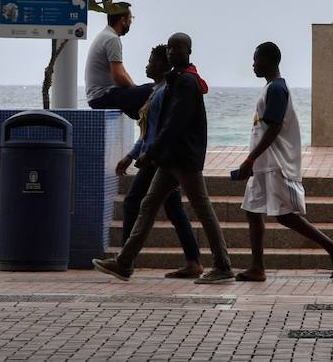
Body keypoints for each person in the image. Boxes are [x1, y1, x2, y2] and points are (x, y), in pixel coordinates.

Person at [94, 32, 234, 284]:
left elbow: (174, 124)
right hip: (171, 159)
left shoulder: (187, 83)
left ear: (189, 51)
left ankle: (223, 265)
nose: (172, 52)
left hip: (183, 158)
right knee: (147, 205)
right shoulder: (176, 80)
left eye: (178, 48)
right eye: (170, 48)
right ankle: (125, 262)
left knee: (203, 210)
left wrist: (151, 152)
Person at [233, 42, 333, 283]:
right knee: (252, 211)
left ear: (269, 60)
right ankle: (257, 267)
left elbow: (274, 128)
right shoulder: (270, 88)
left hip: (275, 164)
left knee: (285, 215)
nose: (254, 64)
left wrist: (249, 159)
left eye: (257, 60)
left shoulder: (277, 89)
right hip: (263, 165)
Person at [115, 44, 202, 279]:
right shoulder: (157, 89)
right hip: (155, 155)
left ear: (164, 65)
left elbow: (161, 130)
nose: (147, 65)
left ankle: (125, 261)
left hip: (157, 158)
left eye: (151, 61)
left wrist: (146, 155)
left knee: (134, 201)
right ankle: (193, 260)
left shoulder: (165, 91)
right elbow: (148, 131)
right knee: (173, 209)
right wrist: (131, 154)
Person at [84, 3, 153, 119]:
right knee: (155, 88)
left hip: (98, 97)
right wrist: (137, 91)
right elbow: (118, 76)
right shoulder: (112, 39)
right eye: (131, 18)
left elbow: (122, 72)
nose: (131, 22)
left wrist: (135, 90)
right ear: (123, 20)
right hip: (103, 97)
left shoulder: (105, 35)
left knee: (138, 110)